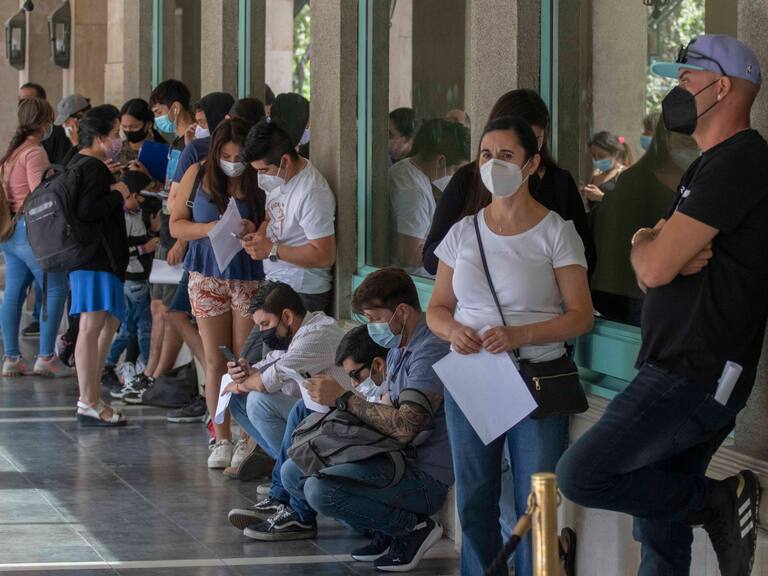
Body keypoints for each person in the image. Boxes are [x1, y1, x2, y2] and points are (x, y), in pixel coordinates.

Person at [557, 34, 766, 576]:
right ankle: (711, 503)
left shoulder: (740, 161)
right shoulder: (712, 163)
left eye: (686, 79)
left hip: (691, 371)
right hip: (677, 362)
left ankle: (719, 502)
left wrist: (650, 249)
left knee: (583, 474)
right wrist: (645, 240)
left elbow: (653, 270)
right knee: (656, 522)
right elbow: (653, 259)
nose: (676, 89)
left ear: (722, 88)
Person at [426, 116, 593, 576]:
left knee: (533, 503)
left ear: (531, 163)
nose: (493, 164)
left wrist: (520, 335)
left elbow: (580, 315)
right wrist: (451, 331)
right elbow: (437, 307)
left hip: (536, 380)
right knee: (474, 498)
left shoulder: (556, 231)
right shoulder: (462, 232)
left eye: (506, 155)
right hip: (474, 381)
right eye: (485, 154)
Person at [226, 325, 388, 540]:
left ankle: (295, 509)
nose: (354, 384)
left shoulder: (320, 333)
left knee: (301, 472)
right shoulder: (296, 339)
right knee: (301, 417)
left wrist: (345, 400)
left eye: (356, 376)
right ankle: (284, 501)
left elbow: (390, 434)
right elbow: (268, 370)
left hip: (379, 469)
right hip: (364, 448)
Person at [170, 118, 266, 468]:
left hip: (246, 276)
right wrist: (208, 228)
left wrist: (253, 228)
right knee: (215, 360)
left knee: (243, 359)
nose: (232, 161)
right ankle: (220, 437)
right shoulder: (198, 173)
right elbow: (175, 222)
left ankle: (248, 435)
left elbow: (269, 221)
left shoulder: (257, 178)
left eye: (239, 155)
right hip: (206, 274)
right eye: (226, 154)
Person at [422, 88, 596, 277]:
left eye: (533, 140)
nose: (525, 149)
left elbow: (586, 259)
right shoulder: (467, 180)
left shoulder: (559, 185)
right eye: (511, 145)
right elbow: (432, 259)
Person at [222, 280, 346, 482]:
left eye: (265, 324)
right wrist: (245, 371)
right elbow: (264, 368)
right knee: (237, 400)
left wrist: (239, 384)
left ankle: (296, 475)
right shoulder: (292, 336)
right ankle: (282, 465)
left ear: (287, 316)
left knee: (257, 401)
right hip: (307, 416)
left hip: (335, 422)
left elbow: (265, 381)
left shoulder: (318, 334)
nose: (263, 333)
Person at [590, 118, 699, 325]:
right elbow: (615, 245)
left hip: (680, 297)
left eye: (696, 143)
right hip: (633, 296)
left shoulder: (697, 181)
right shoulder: (633, 182)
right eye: (686, 143)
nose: (694, 149)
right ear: (666, 140)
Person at [125, 80, 195, 400]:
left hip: (177, 236)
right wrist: (154, 185)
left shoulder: (192, 142)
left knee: (166, 308)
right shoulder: (176, 143)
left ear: (175, 108)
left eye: (159, 112)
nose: (159, 118)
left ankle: (157, 374)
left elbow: (192, 196)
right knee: (158, 306)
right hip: (167, 230)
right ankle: (150, 370)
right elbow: (174, 190)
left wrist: (182, 241)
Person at [0, 98, 72, 378]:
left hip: (11, 232)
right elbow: (40, 195)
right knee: (55, 287)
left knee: (14, 294)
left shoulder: (12, 153)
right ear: (44, 123)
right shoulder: (34, 152)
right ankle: (46, 357)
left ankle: (11, 357)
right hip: (31, 233)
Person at [69, 105, 131, 426]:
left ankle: (90, 395)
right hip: (96, 258)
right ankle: (88, 400)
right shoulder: (91, 168)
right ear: (99, 136)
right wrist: (118, 193)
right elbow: (88, 211)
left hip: (92, 258)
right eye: (116, 133)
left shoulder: (81, 163)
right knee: (92, 327)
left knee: (102, 325)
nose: (119, 139)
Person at [241, 119, 336, 313]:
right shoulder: (278, 178)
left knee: (265, 343)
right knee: (251, 344)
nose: (261, 177)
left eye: (263, 170)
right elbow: (270, 218)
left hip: (302, 290)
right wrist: (259, 235)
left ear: (285, 160)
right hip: (276, 280)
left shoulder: (312, 192)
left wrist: (271, 249)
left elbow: (324, 255)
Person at [101, 171, 158, 395]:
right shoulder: (123, 218)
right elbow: (124, 249)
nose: (145, 200)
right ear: (133, 195)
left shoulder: (134, 215)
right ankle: (144, 370)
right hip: (134, 280)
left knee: (130, 328)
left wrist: (152, 232)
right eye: (142, 196)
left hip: (133, 279)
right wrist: (145, 248)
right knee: (142, 327)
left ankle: (112, 365)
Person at [390, 118, 470, 276]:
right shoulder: (413, 192)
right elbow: (410, 255)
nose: (456, 178)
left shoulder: (408, 169)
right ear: (440, 161)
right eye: (456, 170)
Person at [18, 83, 73, 165]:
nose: (21, 104)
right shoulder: (21, 133)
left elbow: (61, 168)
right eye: (20, 100)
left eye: (26, 99)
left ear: (41, 102)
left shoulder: (56, 132)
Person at [582, 130, 634, 206]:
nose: (597, 160)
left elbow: (631, 204)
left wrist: (602, 197)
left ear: (615, 154)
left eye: (601, 156)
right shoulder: (596, 175)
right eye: (593, 156)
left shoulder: (627, 174)